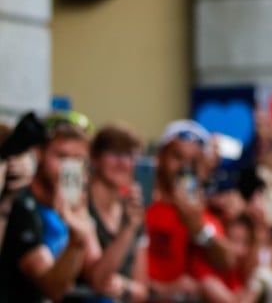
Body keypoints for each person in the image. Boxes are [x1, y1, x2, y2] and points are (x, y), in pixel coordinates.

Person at [0, 110, 102, 303]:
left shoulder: (78, 202)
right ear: (39, 154)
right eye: (62, 156)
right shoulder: (21, 203)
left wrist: (82, 233)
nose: (69, 168)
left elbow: (98, 275)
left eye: (78, 160)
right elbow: (52, 288)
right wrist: (76, 240)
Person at [145, 119, 234, 299]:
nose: (184, 168)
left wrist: (200, 229)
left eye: (193, 162)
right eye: (177, 157)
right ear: (161, 157)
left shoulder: (197, 211)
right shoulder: (140, 202)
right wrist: (164, 289)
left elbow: (226, 260)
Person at [83, 122, 149, 301]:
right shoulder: (81, 205)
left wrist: (125, 286)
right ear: (95, 158)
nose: (122, 162)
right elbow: (98, 278)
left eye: (129, 155)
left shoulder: (133, 210)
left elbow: (142, 289)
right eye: (114, 153)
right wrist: (128, 229)